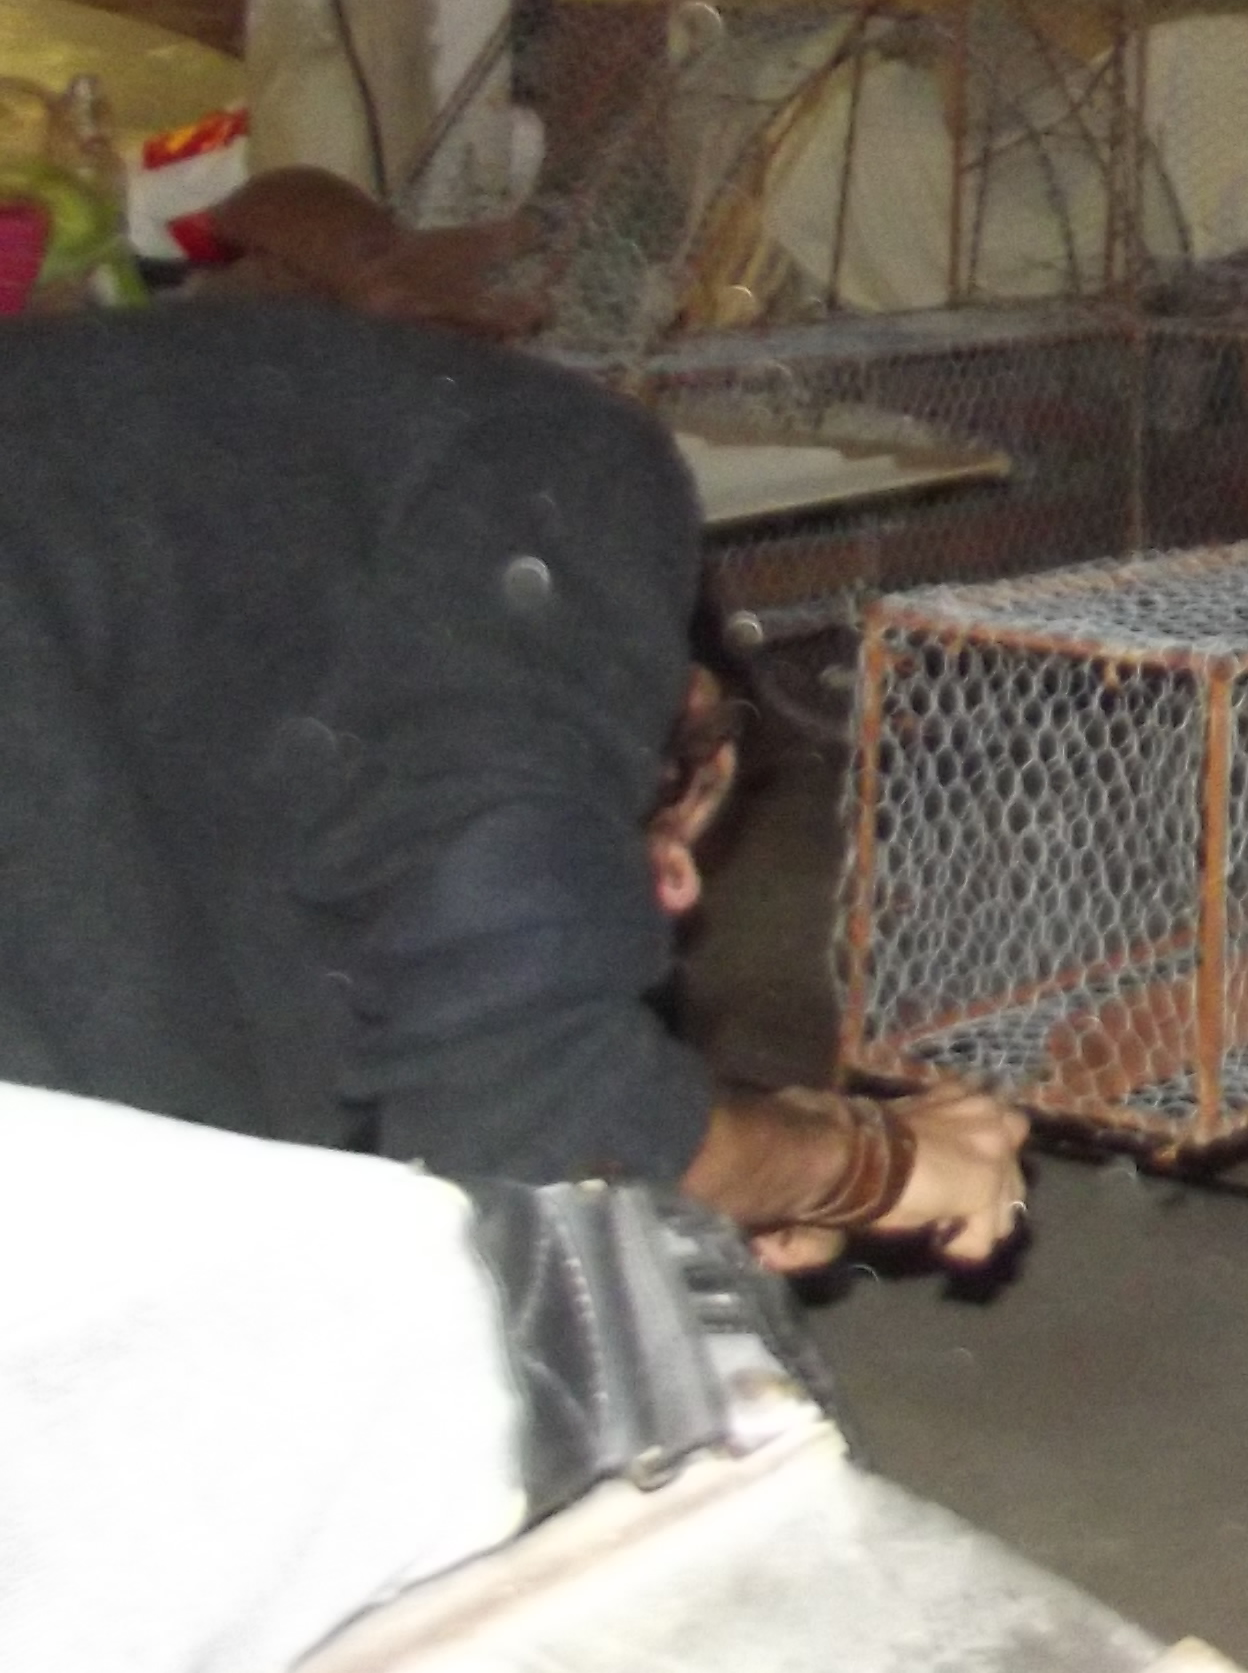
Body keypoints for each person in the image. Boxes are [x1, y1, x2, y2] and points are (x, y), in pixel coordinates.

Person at [0, 297, 1029, 1271]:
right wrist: (863, 1165)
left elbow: (431, 1084)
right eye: (674, 821)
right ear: (686, 702)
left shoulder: (229, 579)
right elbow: (540, 1126)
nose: (677, 895)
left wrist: (725, 1153)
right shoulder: (578, 471)